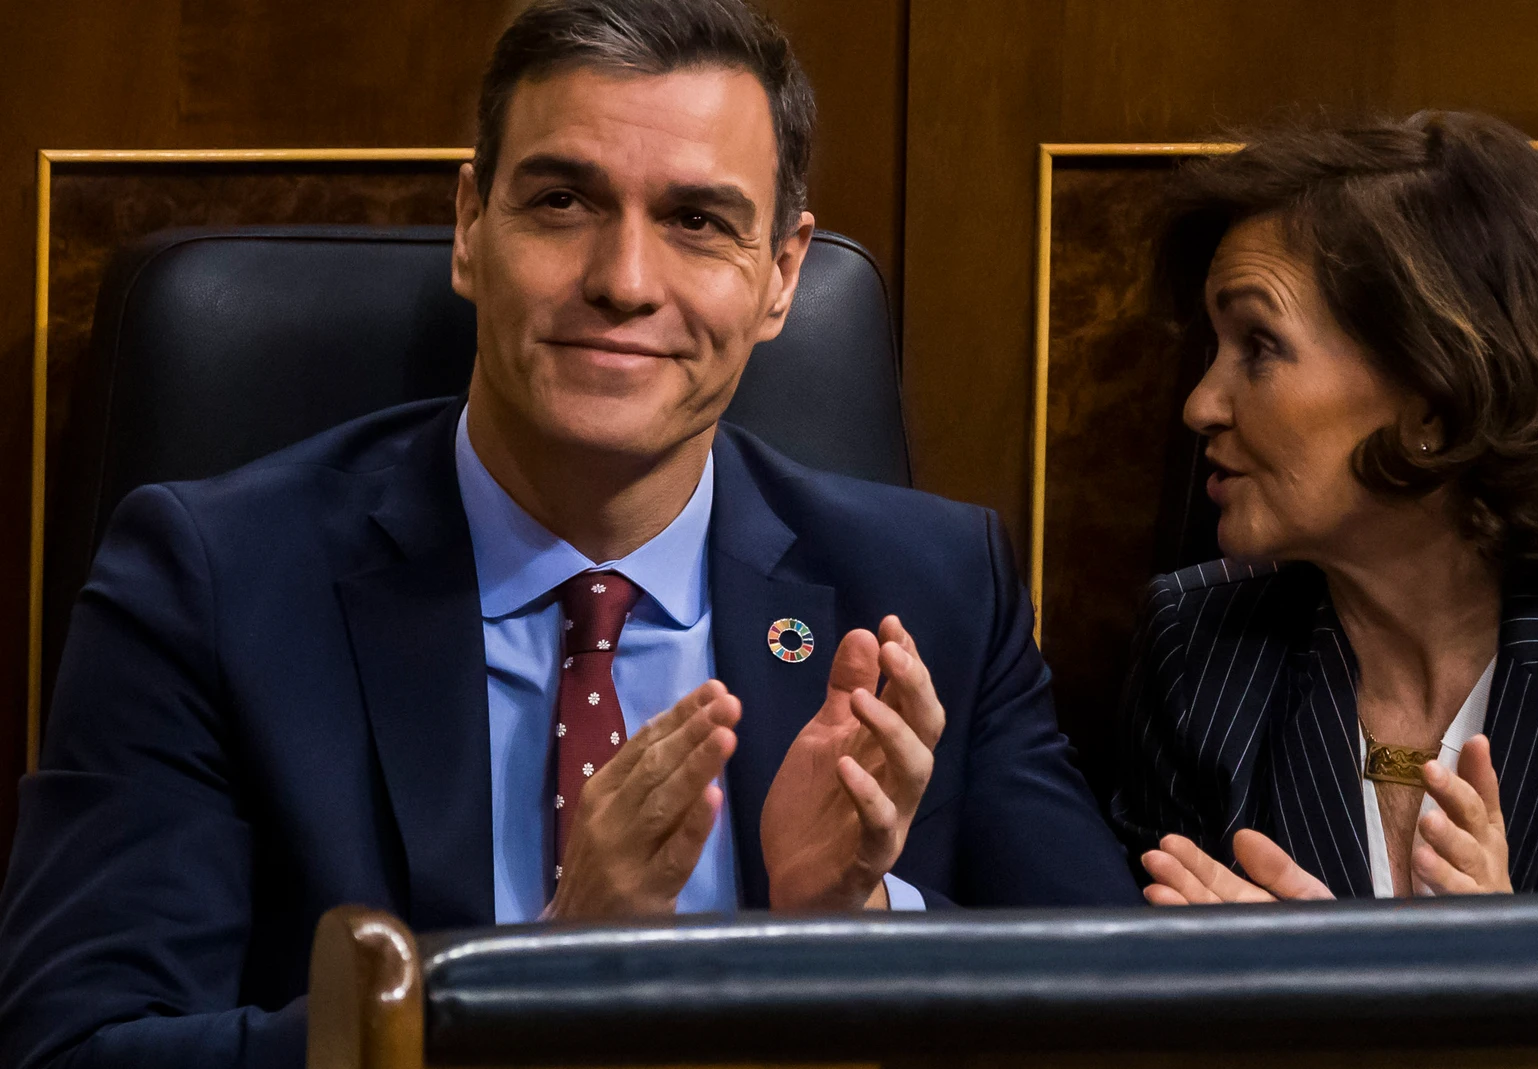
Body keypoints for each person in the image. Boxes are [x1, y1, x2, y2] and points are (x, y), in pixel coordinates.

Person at [0, 1, 1138, 1064]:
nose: (623, 280)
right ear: (468, 226)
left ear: (781, 275)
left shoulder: (930, 592)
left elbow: (1120, 1019)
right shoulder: (212, 582)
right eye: (562, 202)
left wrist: (847, 928)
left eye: (697, 221)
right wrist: (531, 975)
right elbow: (85, 1045)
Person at [1112, 111, 1538, 905]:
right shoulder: (1198, 655)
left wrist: (1497, 974)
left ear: (1436, 400)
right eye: (1214, 350)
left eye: (1260, 346)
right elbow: (1133, 1014)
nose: (1201, 405)